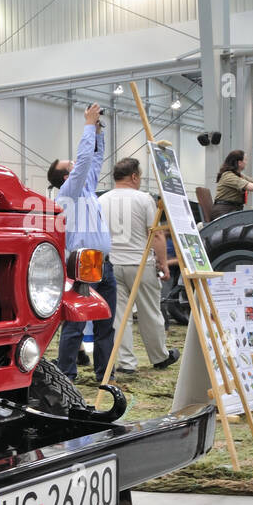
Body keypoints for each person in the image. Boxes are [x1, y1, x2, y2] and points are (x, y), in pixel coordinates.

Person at [45, 103, 116, 381]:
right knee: (76, 322)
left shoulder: (85, 189)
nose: (75, 165)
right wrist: (87, 125)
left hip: (103, 262)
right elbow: (85, 161)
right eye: (70, 166)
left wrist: (98, 132)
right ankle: (66, 375)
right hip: (84, 262)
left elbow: (94, 160)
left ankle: (105, 375)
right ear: (66, 177)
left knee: (105, 322)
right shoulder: (68, 191)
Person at [98, 158, 180, 375]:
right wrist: (163, 264)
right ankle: (160, 357)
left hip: (112, 264)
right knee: (150, 312)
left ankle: (125, 362)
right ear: (134, 176)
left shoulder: (102, 200)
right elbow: (157, 235)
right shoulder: (144, 199)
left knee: (119, 317)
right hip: (141, 263)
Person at [212, 150, 253, 218]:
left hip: (233, 210)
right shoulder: (228, 176)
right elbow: (247, 185)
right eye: (245, 160)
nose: (246, 162)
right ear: (239, 162)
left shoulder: (239, 175)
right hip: (224, 211)